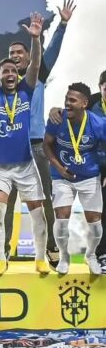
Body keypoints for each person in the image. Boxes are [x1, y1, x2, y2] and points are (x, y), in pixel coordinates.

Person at [4, 0, 77, 268]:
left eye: (19, 52)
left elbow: (52, 52)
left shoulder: (38, 75)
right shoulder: (3, 80)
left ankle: (51, 247)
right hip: (9, 148)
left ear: (28, 56)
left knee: (44, 198)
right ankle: (3, 252)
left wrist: (62, 24)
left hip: (36, 146)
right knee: (6, 202)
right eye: (11, 53)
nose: (15, 55)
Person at [0, 17, 49, 276]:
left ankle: (40, 258)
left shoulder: (26, 91)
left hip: (26, 166)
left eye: (12, 71)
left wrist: (35, 39)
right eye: (4, 71)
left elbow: (36, 64)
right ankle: (0, 258)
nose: (9, 74)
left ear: (18, 75)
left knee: (38, 214)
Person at [44, 82, 106, 275]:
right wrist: (58, 168)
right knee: (62, 219)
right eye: (66, 99)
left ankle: (91, 255)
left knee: (95, 225)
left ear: (84, 103)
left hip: (89, 176)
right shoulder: (57, 119)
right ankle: (64, 257)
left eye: (72, 100)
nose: (67, 103)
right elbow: (47, 145)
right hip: (62, 177)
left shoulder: (98, 124)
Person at [89, 70, 106, 271]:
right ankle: (101, 254)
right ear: (100, 87)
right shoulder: (90, 102)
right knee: (98, 212)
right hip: (92, 165)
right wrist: (56, 111)